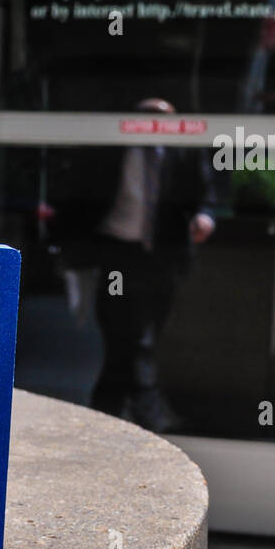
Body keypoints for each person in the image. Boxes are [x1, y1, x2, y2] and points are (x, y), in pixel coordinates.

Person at [53, 98, 216, 433]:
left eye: (163, 120)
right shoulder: (109, 151)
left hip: (162, 254)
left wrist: (205, 217)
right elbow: (76, 193)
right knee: (121, 335)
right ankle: (138, 414)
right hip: (117, 252)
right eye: (148, 119)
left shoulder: (182, 152)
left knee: (148, 335)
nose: (155, 126)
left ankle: (112, 415)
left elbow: (206, 194)